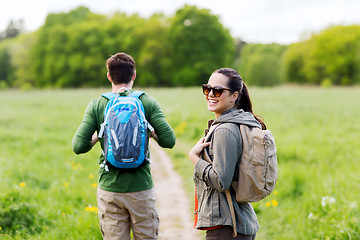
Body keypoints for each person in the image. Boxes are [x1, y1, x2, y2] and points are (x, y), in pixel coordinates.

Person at [72, 52, 176, 240]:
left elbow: (78, 146)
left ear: (109, 76)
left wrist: (98, 136)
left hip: (110, 189)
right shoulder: (147, 102)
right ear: (134, 75)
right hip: (141, 189)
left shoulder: (98, 105)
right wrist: (151, 134)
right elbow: (169, 141)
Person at [189, 68, 266, 240]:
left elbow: (221, 181)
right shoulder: (233, 123)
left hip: (227, 228)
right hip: (235, 224)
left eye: (217, 90)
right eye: (207, 89)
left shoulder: (225, 130)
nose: (210, 94)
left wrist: (195, 158)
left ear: (234, 96)